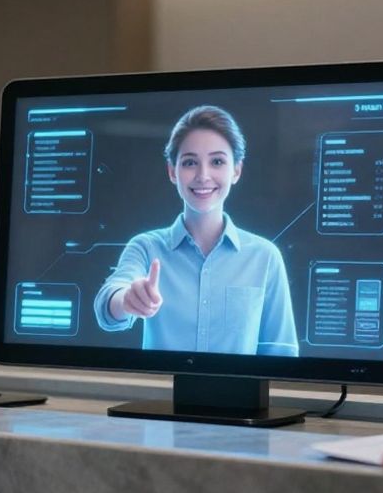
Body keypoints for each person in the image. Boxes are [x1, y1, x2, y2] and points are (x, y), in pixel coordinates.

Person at [92, 105, 298, 356]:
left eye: (217, 161)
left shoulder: (265, 257)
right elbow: (107, 306)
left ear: (236, 170)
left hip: (240, 396)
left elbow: (281, 354)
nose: (203, 175)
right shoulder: (146, 247)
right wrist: (127, 300)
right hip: (159, 395)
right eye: (190, 162)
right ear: (172, 171)